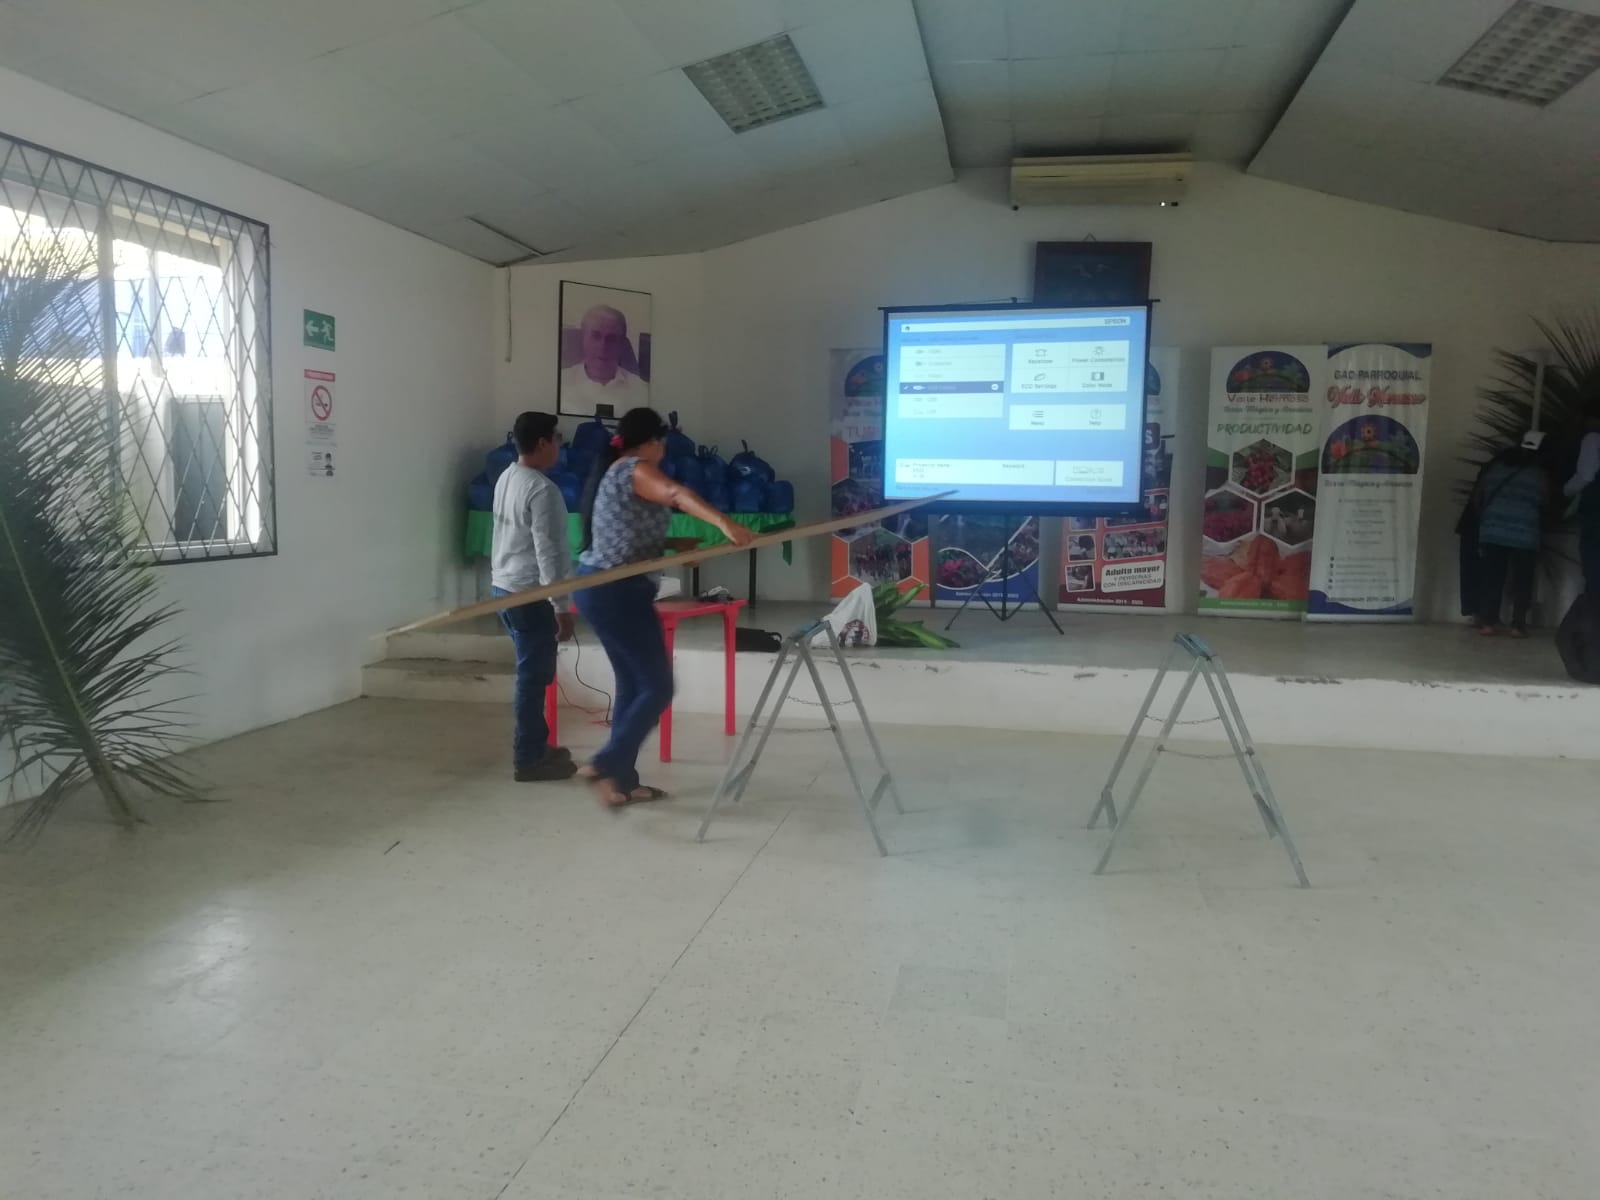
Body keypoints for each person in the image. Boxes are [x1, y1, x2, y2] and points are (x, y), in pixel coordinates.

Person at [575, 407, 754, 808]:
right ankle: (605, 763)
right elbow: (676, 494)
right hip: (615, 590)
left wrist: (675, 546)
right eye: (663, 443)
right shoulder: (633, 469)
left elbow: (625, 534)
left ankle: (621, 782)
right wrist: (725, 524)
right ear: (653, 441)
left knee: (634, 684)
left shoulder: (619, 471)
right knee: (658, 687)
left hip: (605, 588)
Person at [491, 411, 576, 781]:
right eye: (556, 438)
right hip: (529, 595)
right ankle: (528, 759)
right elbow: (549, 553)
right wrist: (561, 607)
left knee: (534, 675)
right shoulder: (543, 490)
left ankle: (537, 745)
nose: (559, 446)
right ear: (542, 442)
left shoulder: (507, 476)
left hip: (504, 589)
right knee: (532, 678)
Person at [1472, 431, 1551, 637]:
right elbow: (1545, 503)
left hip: (1492, 530)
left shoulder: (1496, 469)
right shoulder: (1539, 475)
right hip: (1525, 533)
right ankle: (1517, 625)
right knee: (1522, 579)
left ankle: (1488, 622)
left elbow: (1479, 498)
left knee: (1492, 577)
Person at [559, 305, 647, 413]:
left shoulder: (642, 391)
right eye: (595, 336)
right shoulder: (560, 383)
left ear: (622, 344)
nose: (603, 347)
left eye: (612, 339)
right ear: (583, 338)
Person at [1564, 414, 1600, 596]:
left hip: (1595, 508)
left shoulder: (1593, 439)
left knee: (1593, 559)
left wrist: (1566, 490)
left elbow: (1586, 475)